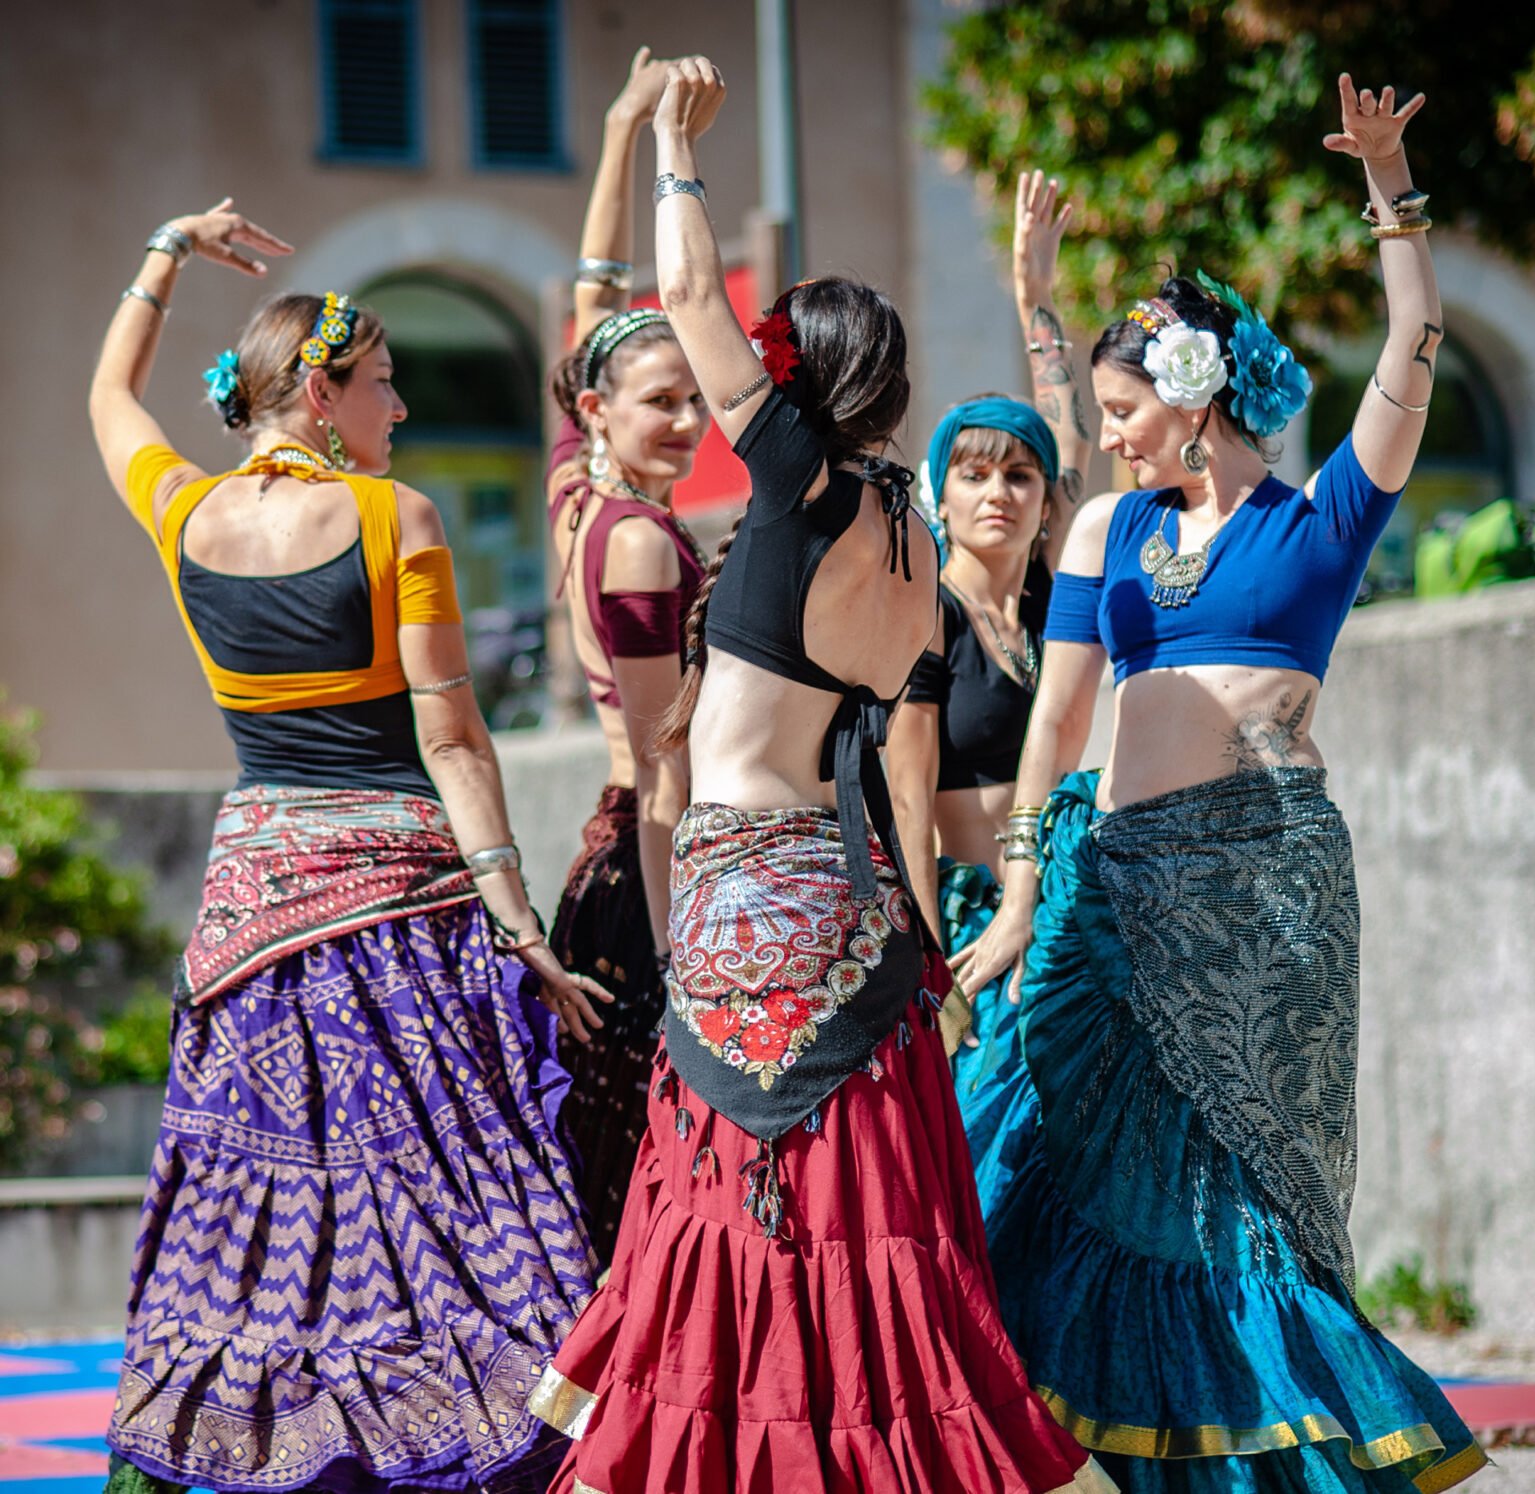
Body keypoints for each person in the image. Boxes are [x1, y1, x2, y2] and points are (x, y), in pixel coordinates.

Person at [528, 58, 1112, 1494]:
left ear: (802, 384)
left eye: (773, 358)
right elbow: (901, 758)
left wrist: (672, 148)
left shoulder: (796, 482)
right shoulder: (917, 544)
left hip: (746, 889)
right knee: (862, 1206)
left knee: (737, 1204)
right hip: (857, 910)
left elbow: (683, 292)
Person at [952, 78, 1487, 1491]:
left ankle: (1277, 1456)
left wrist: (1389, 188)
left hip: (1263, 900)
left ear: (1193, 399)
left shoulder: (1323, 521)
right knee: (1052, 1151)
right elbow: (1057, 719)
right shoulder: (1107, 531)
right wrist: (1020, 897)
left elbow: (1411, 347)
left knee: (1248, 1195)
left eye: (1127, 410)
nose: (1111, 436)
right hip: (1109, 892)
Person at [89, 200, 611, 1494]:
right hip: (401, 910)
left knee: (266, 1209)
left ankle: (240, 1439)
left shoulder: (181, 511)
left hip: (253, 908)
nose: (401, 407)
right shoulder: (395, 519)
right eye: (382, 381)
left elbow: (110, 397)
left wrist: (167, 250)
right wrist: (521, 926)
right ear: (319, 393)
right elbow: (455, 739)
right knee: (450, 1201)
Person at [545, 46, 711, 1264]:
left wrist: (616, 134)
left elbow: (591, 301)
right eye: (664, 402)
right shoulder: (643, 542)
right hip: (646, 876)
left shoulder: (575, 498)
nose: (691, 422)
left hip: (606, 868)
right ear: (599, 409)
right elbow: (665, 767)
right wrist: (681, 951)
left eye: (697, 398)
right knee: (637, 1180)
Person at [889, 169, 1091, 1091]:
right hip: (971, 925)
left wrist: (1035, 297)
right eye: (973, 476)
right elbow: (906, 795)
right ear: (944, 493)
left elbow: (1069, 436)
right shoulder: (928, 613)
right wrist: (930, 965)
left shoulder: (1051, 600)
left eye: (1018, 476)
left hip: (1065, 912)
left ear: (1046, 500)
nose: (998, 493)